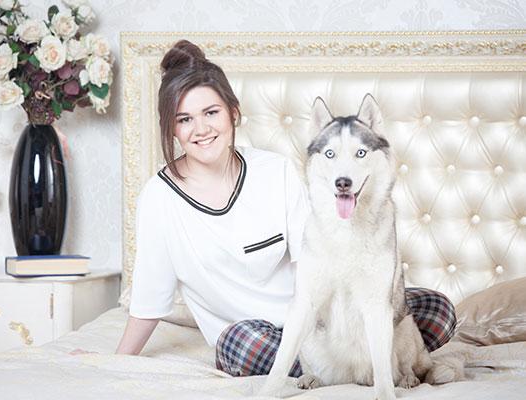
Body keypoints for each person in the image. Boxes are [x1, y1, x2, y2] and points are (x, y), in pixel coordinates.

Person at [82, 40, 457, 378]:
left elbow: (317, 262)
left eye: (211, 112)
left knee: (437, 309)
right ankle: (349, 365)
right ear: (173, 129)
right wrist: (115, 361)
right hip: (253, 336)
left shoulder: (276, 170)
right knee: (240, 345)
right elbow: (149, 301)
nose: (201, 129)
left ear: (233, 112)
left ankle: (349, 361)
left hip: (320, 321)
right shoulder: (158, 198)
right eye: (185, 119)